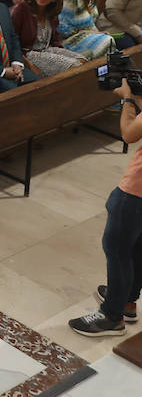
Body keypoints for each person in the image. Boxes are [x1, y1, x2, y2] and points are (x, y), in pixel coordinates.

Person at [67, 78, 142, 336]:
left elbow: (130, 133)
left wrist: (128, 100)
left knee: (117, 249)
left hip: (137, 190)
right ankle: (128, 301)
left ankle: (112, 316)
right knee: (137, 246)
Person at [11, 0, 84, 77]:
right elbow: (12, 41)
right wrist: (29, 64)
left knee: (83, 61)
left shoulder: (51, 10)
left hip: (48, 49)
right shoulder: (21, 8)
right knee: (74, 66)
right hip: (29, 53)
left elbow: (55, 38)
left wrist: (62, 52)